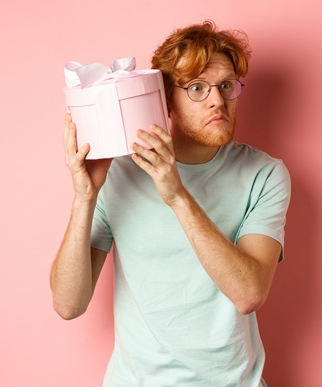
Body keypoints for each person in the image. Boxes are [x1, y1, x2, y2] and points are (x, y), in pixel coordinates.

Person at [49, 20, 290, 386]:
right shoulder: (118, 172)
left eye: (226, 85)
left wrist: (177, 195)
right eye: (197, 87)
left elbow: (248, 294)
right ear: (165, 100)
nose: (217, 100)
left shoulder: (265, 174)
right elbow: (68, 305)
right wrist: (85, 197)